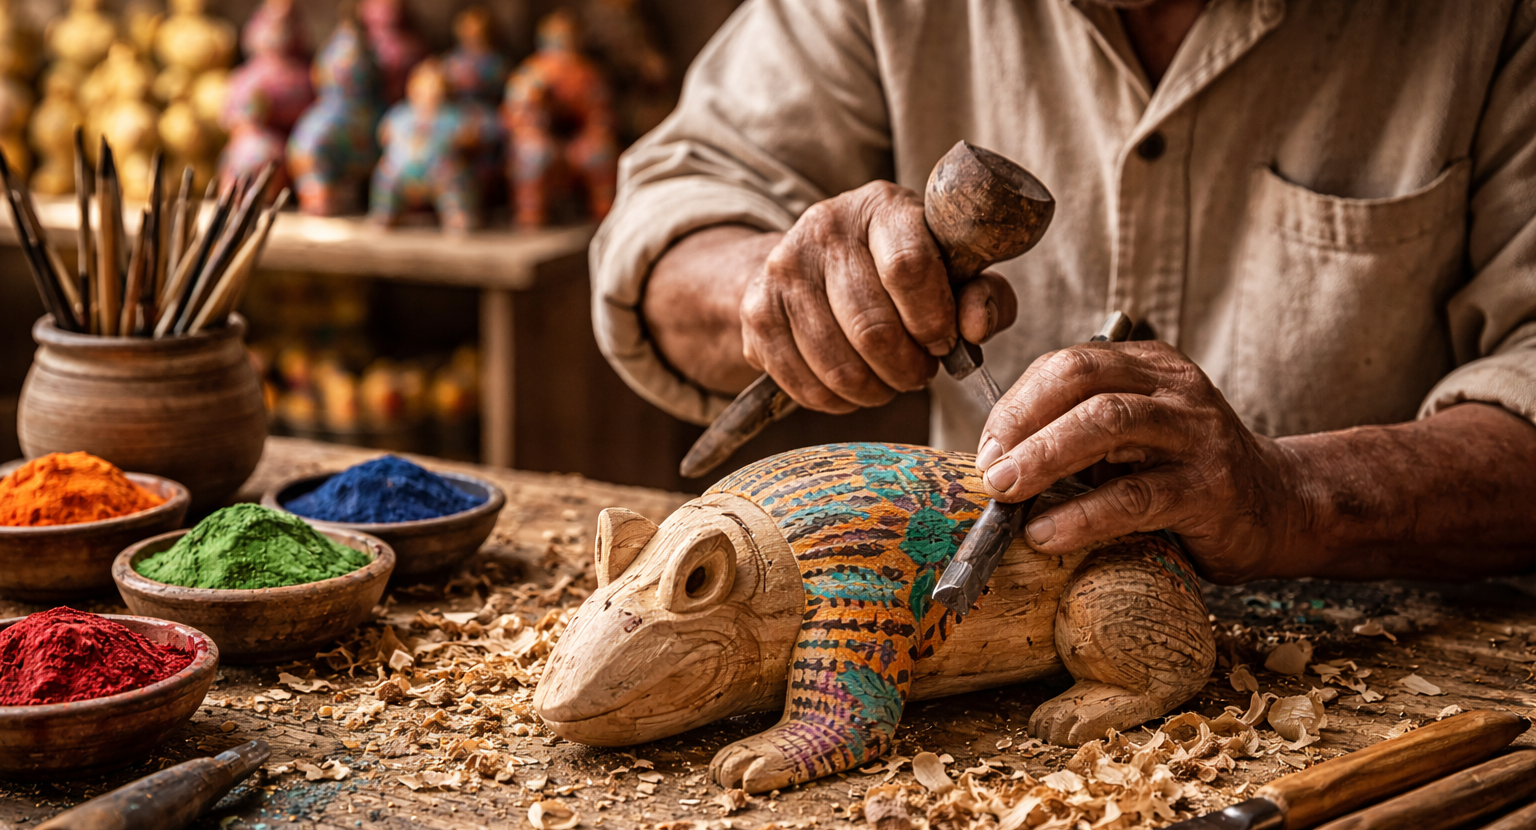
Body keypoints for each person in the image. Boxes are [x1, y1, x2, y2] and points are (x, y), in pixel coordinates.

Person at [590, 0, 1536, 584]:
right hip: (986, 636)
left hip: (1398, 654)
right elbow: (670, 215)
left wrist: (1293, 496)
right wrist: (775, 288)